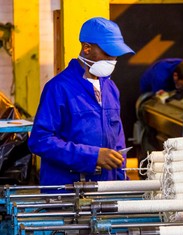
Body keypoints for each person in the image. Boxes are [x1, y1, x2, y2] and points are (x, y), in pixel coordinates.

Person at [28, 17, 135, 189]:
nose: (113, 60)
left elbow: (118, 141)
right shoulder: (58, 88)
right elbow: (40, 141)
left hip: (105, 188)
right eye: (108, 53)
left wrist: (121, 181)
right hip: (66, 191)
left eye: (115, 55)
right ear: (87, 48)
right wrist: (92, 157)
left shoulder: (110, 88)